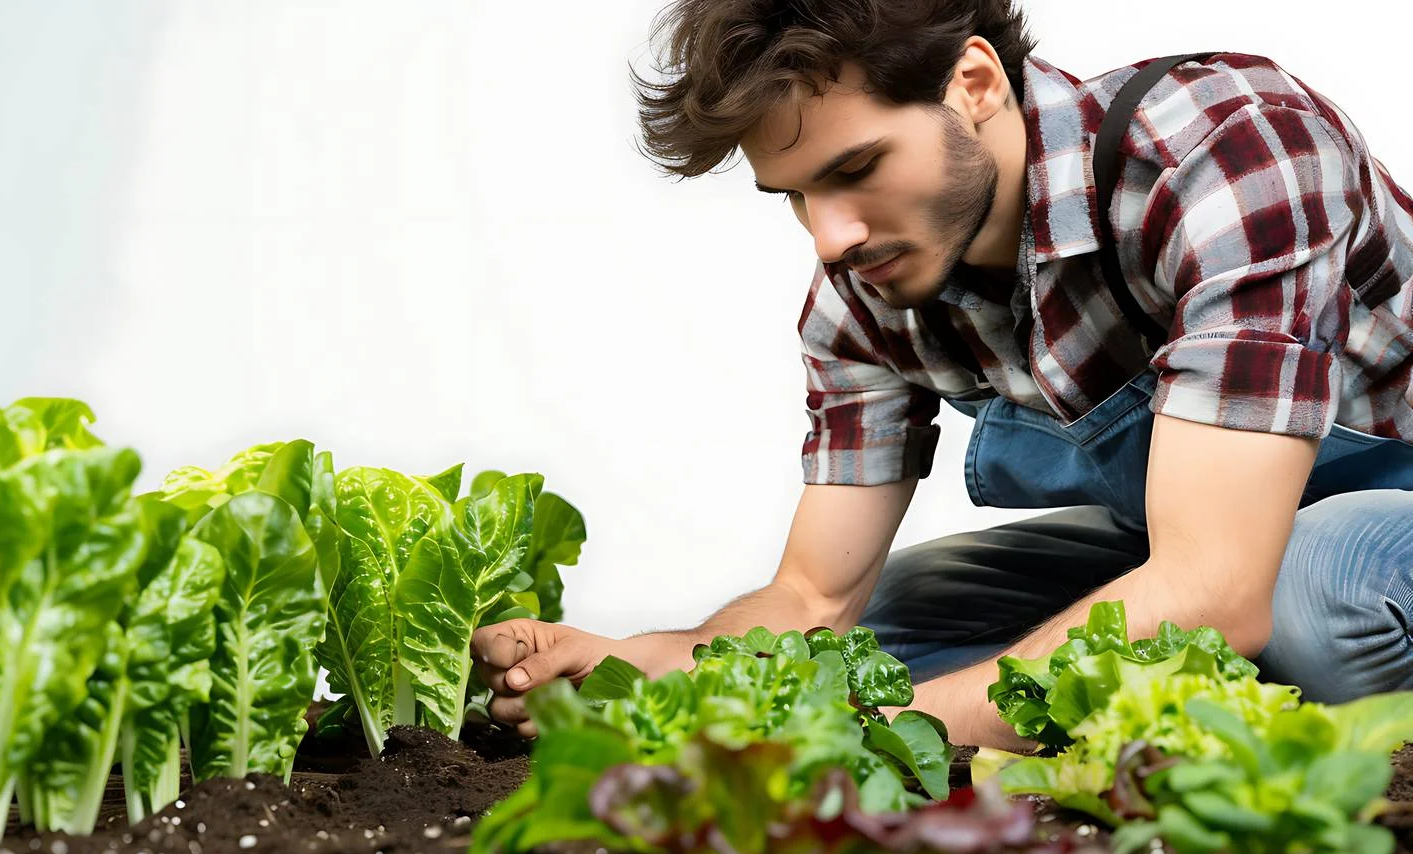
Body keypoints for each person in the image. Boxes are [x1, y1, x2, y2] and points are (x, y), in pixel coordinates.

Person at [471, 0, 1413, 750]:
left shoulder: (1228, 153)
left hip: (1349, 529)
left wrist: (894, 735)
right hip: (1196, 547)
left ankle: (1188, 689)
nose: (829, 236)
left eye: (857, 168)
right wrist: (650, 665)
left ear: (973, 83)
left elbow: (1212, 579)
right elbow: (811, 597)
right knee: (878, 641)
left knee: (1312, 596)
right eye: (795, 195)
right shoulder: (865, 291)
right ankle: (1164, 690)